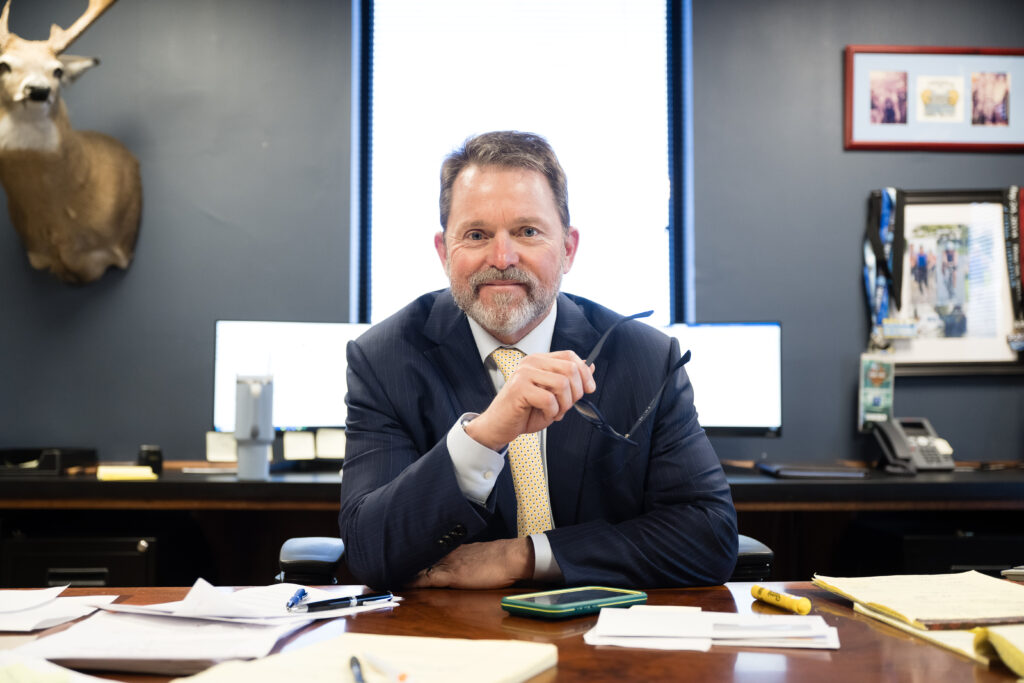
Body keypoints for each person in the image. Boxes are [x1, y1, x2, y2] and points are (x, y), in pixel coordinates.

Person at [338, 131, 738, 590]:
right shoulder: (384, 358)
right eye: (476, 235)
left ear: (568, 249)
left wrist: (522, 556)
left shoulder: (646, 358)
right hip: (453, 641)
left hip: (605, 636)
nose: (503, 258)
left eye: (527, 232)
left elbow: (709, 535)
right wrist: (483, 436)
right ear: (444, 252)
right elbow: (369, 552)